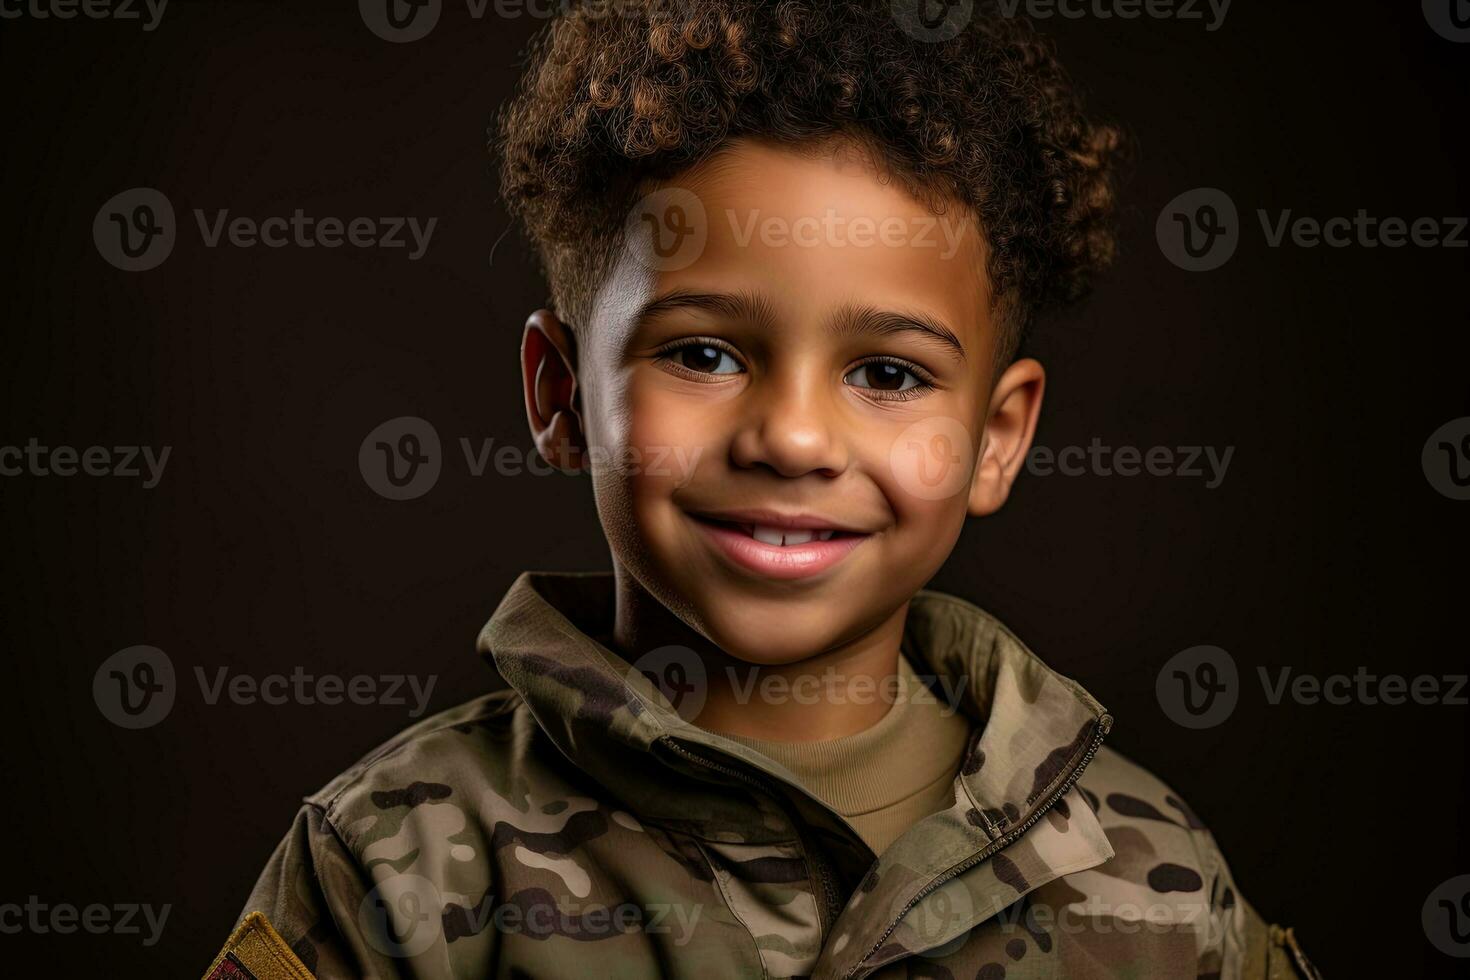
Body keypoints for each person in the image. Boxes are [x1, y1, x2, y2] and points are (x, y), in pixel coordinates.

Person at [206, 2, 1319, 976]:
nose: (792, 437)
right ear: (560, 395)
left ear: (997, 437)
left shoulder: (1157, 875)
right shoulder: (391, 865)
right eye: (702, 354)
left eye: (887, 374)